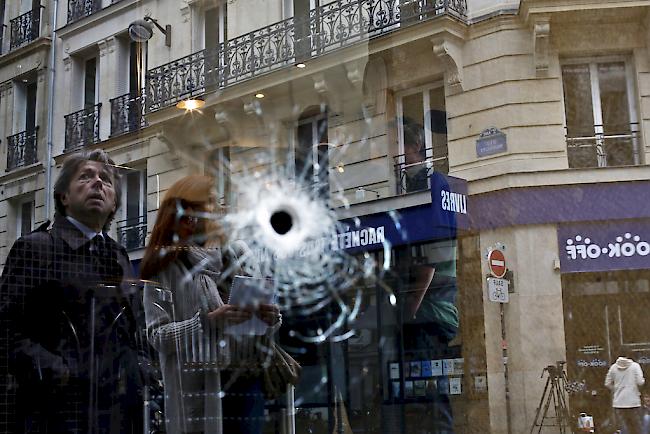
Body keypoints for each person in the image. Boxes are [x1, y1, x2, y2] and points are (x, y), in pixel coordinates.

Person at [0, 149, 144, 433]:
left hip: (114, 414)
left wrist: (142, 371)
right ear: (64, 196)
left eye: (105, 179)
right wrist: (58, 373)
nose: (98, 183)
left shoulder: (118, 257)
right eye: (86, 176)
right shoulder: (37, 248)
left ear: (114, 202)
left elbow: (133, 330)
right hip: (54, 413)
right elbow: (6, 328)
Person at [140, 174, 282, 434]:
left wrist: (270, 318)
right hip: (198, 389)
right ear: (189, 214)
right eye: (212, 203)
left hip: (246, 383)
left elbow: (262, 327)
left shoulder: (238, 254)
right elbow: (157, 335)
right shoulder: (166, 266)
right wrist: (207, 322)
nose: (222, 209)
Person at [605, 352, 646, 434]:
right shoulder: (635, 366)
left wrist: (616, 389)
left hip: (619, 402)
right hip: (633, 401)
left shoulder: (613, 367)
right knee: (636, 428)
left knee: (623, 428)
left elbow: (607, 383)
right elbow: (640, 382)